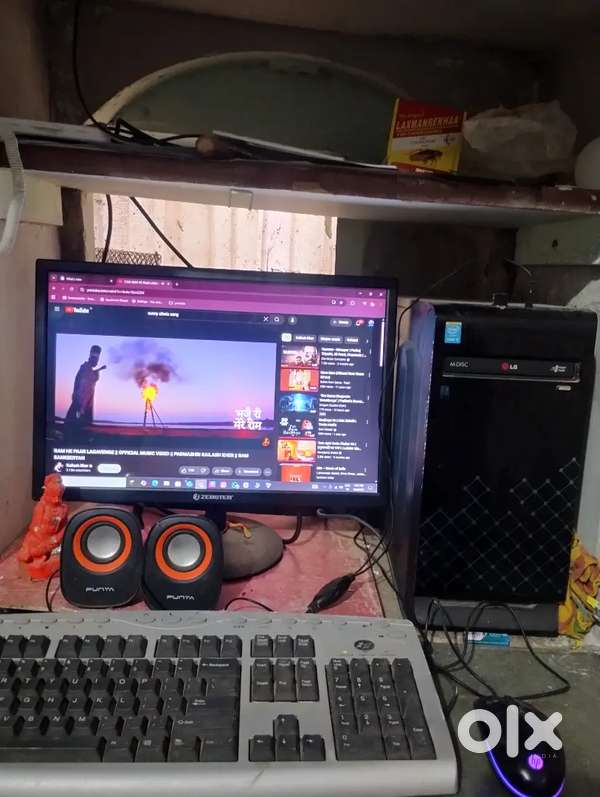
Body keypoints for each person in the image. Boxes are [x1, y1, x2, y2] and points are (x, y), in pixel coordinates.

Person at [65, 345, 106, 428]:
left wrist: (99, 370)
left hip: (85, 403)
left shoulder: (86, 369)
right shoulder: (85, 368)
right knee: (75, 425)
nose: (97, 362)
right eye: (96, 359)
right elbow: (83, 385)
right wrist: (81, 406)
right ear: (92, 358)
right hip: (81, 403)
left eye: (97, 359)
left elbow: (91, 377)